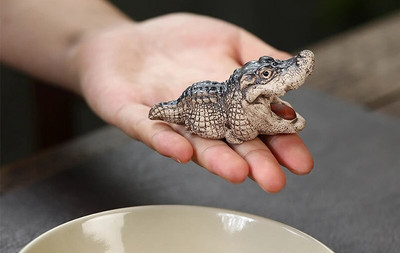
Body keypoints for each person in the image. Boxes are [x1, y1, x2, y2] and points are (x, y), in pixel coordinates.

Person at [1, 0, 313, 193]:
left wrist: (95, 40)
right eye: (268, 76)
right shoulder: (235, 115)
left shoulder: (246, 101)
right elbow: (239, 129)